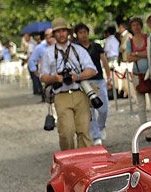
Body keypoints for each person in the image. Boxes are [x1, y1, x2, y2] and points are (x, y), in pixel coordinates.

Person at [39, 18, 97, 151]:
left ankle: (85, 162)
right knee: (66, 132)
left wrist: (78, 76)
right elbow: (42, 76)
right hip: (61, 95)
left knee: (84, 131)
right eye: (58, 31)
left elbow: (92, 69)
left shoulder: (78, 50)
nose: (61, 34)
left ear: (68, 32)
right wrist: (54, 78)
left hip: (80, 93)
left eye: (63, 31)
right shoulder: (48, 53)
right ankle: (69, 160)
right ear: (54, 34)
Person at [74, 23, 110, 146]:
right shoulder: (76, 49)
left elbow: (104, 61)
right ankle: (96, 136)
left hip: (98, 79)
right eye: (80, 32)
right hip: (85, 82)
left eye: (85, 32)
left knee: (103, 108)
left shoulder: (97, 46)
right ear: (77, 35)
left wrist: (109, 76)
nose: (83, 35)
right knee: (90, 111)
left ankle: (101, 126)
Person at [125, 16, 148, 94]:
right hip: (137, 74)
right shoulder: (130, 42)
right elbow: (128, 58)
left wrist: (135, 54)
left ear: (141, 26)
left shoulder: (147, 38)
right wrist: (143, 55)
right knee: (140, 101)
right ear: (131, 28)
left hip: (149, 72)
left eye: (137, 24)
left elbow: (149, 54)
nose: (136, 27)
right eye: (133, 25)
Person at [28, 29, 53, 100]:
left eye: (51, 36)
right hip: (46, 73)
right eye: (47, 36)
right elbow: (31, 60)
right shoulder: (40, 48)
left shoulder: (59, 46)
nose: (50, 37)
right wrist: (35, 72)